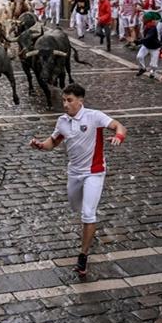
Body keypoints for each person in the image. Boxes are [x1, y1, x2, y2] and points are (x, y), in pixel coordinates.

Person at [30, 83, 127, 277]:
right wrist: (40, 145)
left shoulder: (94, 116)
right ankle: (89, 228)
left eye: (69, 100)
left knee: (88, 214)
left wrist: (118, 136)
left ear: (80, 101)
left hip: (94, 172)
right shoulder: (62, 121)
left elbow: (119, 126)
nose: (65, 104)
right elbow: (54, 142)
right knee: (76, 207)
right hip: (74, 173)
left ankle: (83, 256)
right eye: (63, 100)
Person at [135, 11, 162, 77]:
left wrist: (138, 41)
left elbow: (148, 38)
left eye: (145, 19)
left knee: (153, 65)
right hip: (146, 45)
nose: (143, 20)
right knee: (139, 57)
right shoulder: (146, 26)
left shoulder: (153, 28)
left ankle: (152, 72)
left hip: (155, 48)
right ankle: (142, 68)